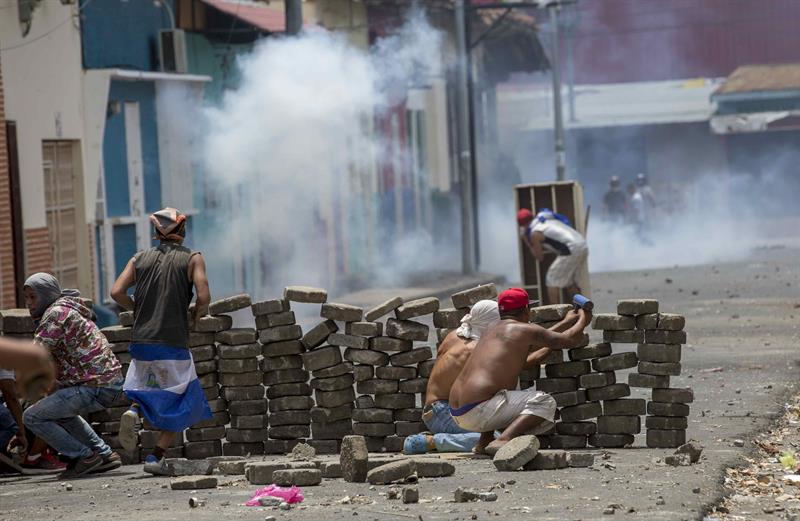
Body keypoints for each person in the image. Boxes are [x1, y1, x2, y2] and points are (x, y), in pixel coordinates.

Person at [111, 207, 211, 476]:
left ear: (157, 232)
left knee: (146, 385)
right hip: (173, 340)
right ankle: (155, 458)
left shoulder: (139, 258)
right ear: (182, 230)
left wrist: (136, 308)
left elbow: (116, 291)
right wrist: (195, 315)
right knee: (186, 401)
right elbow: (204, 297)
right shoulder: (193, 258)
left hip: (141, 340)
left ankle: (134, 411)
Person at [449, 287, 591, 455]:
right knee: (545, 402)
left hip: (456, 411)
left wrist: (567, 321)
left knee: (503, 386)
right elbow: (568, 339)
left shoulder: (492, 329)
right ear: (526, 310)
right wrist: (583, 318)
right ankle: (503, 440)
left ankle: (484, 441)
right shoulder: (524, 330)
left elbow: (537, 339)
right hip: (477, 410)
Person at [21, 273, 124, 477]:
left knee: (31, 417)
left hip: (95, 386)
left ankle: (84, 456)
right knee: (57, 411)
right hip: (106, 384)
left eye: (33, 297)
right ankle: (104, 454)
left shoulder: (56, 313)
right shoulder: (65, 309)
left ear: (46, 294)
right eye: (27, 298)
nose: (29, 304)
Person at [403, 300, 499, 455]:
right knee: (496, 440)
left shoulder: (455, 335)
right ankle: (430, 442)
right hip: (443, 411)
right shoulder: (474, 349)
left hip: (437, 410)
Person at [518, 208, 589, 304]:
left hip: (571, 249)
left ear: (523, 225)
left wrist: (526, 240)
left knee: (551, 280)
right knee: (569, 282)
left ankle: (555, 313)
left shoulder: (535, 233)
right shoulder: (547, 218)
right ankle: (583, 309)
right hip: (582, 244)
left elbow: (539, 257)